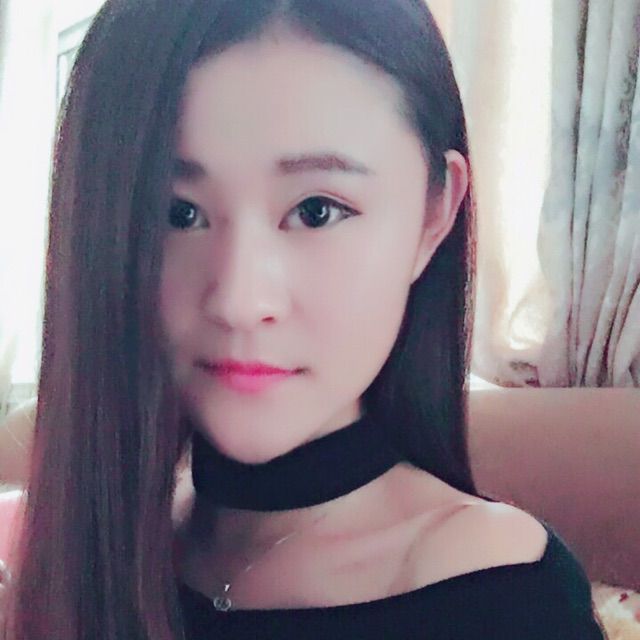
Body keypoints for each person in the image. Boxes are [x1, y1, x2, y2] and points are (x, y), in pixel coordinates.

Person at [1, 1, 607, 639]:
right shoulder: (84, 553)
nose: (239, 301)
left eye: (317, 210)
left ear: (434, 214)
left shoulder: (506, 600)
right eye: (177, 213)